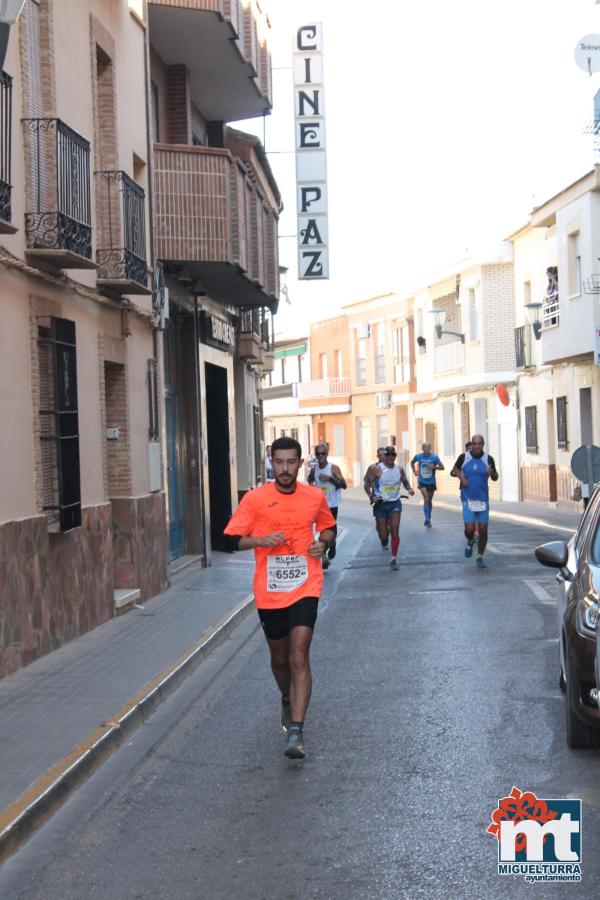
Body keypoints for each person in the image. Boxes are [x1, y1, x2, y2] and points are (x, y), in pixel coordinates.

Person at [223, 436, 336, 760]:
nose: (285, 469)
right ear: (271, 463)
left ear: (300, 464)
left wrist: (322, 543)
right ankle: (286, 700)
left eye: (291, 462)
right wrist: (260, 540)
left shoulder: (314, 496)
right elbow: (230, 539)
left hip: (306, 585)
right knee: (280, 659)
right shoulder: (256, 500)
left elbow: (329, 527)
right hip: (270, 592)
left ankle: (297, 732)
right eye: (279, 462)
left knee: (299, 655)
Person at [451, 434, 498, 568]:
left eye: (479, 443)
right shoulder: (464, 457)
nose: (477, 446)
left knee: (483, 530)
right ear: (471, 444)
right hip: (468, 498)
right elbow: (455, 469)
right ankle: (470, 541)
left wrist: (491, 473)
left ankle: (480, 556)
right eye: (474, 443)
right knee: (470, 529)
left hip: (483, 499)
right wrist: (462, 479)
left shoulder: (488, 459)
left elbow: (495, 477)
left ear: (483, 444)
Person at [364, 445, 414, 569]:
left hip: (395, 503)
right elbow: (366, 484)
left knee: (394, 529)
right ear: (384, 456)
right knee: (384, 534)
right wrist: (371, 495)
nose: (391, 457)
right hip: (381, 504)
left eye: (393, 455)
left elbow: (405, 481)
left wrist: (409, 489)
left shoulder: (399, 469)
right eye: (388, 455)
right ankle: (384, 540)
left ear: (395, 456)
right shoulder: (376, 469)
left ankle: (393, 558)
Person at [307, 443, 347, 569]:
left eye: (323, 453)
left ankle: (331, 545)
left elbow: (344, 485)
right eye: (318, 454)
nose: (320, 456)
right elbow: (309, 479)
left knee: (329, 530)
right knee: (323, 530)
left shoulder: (333, 469)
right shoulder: (315, 469)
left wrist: (330, 479)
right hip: (320, 505)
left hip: (332, 505)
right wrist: (312, 486)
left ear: (327, 454)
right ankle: (324, 556)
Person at [410, 442, 444, 528]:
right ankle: (427, 519)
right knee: (426, 498)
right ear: (422, 448)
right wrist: (414, 471)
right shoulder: (418, 456)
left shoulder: (434, 457)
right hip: (422, 481)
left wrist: (435, 467)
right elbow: (412, 463)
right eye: (424, 446)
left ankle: (428, 516)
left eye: (428, 446)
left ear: (430, 448)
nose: (426, 448)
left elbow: (442, 467)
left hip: (431, 482)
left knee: (429, 501)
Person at [363, 447, 387, 547]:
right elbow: (366, 483)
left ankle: (386, 535)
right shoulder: (373, 468)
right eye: (380, 455)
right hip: (378, 499)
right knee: (379, 523)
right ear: (377, 456)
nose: (383, 457)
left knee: (389, 524)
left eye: (384, 455)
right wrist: (371, 495)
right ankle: (383, 538)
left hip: (390, 498)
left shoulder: (391, 467)